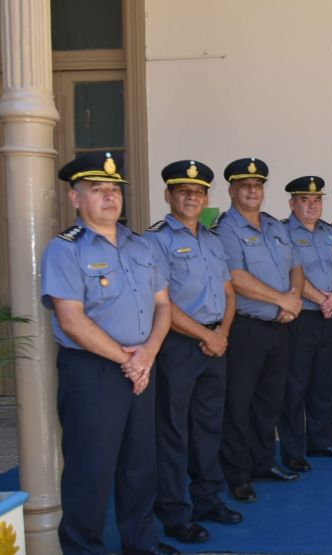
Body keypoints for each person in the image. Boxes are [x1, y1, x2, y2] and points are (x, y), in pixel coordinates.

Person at [41, 152, 178, 554]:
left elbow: (164, 305)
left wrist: (149, 353)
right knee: (91, 470)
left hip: (143, 365)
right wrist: (128, 359)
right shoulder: (65, 250)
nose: (109, 197)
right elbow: (71, 320)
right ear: (75, 199)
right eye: (97, 190)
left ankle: (141, 543)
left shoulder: (141, 246)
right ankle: (85, 548)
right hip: (93, 372)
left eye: (114, 189)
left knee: (140, 465)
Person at [147, 160, 242, 545]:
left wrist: (221, 334)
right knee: (173, 431)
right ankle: (173, 512)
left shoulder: (213, 239)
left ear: (207, 198)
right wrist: (206, 334)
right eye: (183, 191)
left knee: (208, 427)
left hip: (215, 343)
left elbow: (230, 293)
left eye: (199, 192)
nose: (192, 197)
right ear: (168, 195)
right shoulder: (154, 241)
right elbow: (162, 303)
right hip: (177, 346)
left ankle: (207, 500)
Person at [215, 157, 304, 503]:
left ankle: (263, 461)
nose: (252, 191)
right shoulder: (226, 229)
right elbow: (235, 278)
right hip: (246, 329)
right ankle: (237, 474)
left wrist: (293, 299)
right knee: (239, 404)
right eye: (245, 186)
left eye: (257, 185)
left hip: (280, 327)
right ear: (232, 190)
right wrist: (283, 300)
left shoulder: (274, 226)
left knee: (269, 401)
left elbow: (296, 265)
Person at [277, 176, 332, 474]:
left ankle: (320, 441)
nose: (312, 205)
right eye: (305, 200)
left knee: (324, 382)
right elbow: (290, 273)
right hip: (301, 317)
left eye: (316, 200)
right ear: (292, 203)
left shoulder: (331, 233)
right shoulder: (282, 232)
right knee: (295, 386)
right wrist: (322, 298)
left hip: (330, 315)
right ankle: (293, 450)